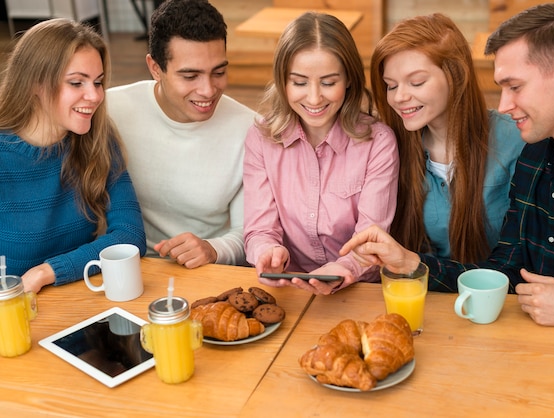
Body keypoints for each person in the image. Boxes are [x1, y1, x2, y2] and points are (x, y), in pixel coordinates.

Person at [340, 3, 554, 414]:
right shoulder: (539, 156)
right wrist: (410, 262)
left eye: (515, 86)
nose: (504, 106)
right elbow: (502, 273)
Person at [243, 12, 399, 295]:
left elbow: (371, 238)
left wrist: (345, 268)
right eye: (300, 83)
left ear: (349, 79)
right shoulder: (261, 138)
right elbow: (259, 229)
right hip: (291, 290)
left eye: (328, 83)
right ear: (282, 81)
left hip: (359, 291)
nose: (314, 98)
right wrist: (267, 251)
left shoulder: (378, 142)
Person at [0, 19, 146, 293]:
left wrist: (47, 272)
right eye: (76, 82)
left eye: (98, 82)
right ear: (35, 83)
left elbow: (130, 236)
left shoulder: (97, 138)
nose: (94, 95)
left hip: (79, 304)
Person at [107, 0, 256, 268]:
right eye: (190, 76)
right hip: (129, 266)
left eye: (219, 72)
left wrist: (212, 249)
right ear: (155, 68)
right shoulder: (109, 111)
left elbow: (251, 233)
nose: (208, 90)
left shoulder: (251, 129)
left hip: (211, 272)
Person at [369, 14, 524, 266]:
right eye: (391, 85)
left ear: (456, 75)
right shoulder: (390, 146)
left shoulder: (516, 140)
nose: (399, 97)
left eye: (416, 82)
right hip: (419, 295)